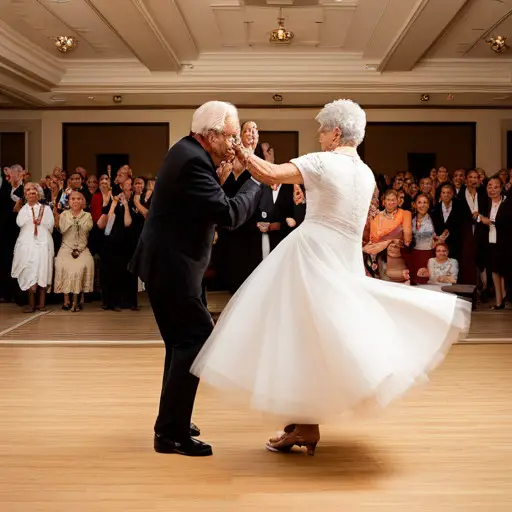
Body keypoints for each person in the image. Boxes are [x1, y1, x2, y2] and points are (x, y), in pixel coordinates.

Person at [191, 99, 471, 456]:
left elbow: (270, 174)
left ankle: (304, 423)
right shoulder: (366, 172)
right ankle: (304, 423)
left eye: (322, 129)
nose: (319, 136)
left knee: (297, 336)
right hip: (343, 259)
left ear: (336, 132)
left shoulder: (323, 162)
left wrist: (243, 150)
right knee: (316, 340)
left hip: (310, 256)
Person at [130, 101, 262, 457]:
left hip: (171, 266)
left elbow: (205, 201)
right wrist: (254, 180)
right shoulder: (192, 161)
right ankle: (170, 433)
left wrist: (227, 174)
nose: (235, 143)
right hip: (173, 269)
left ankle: (172, 420)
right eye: (232, 135)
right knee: (195, 341)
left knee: (181, 344)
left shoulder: (188, 152)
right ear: (213, 134)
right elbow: (229, 214)